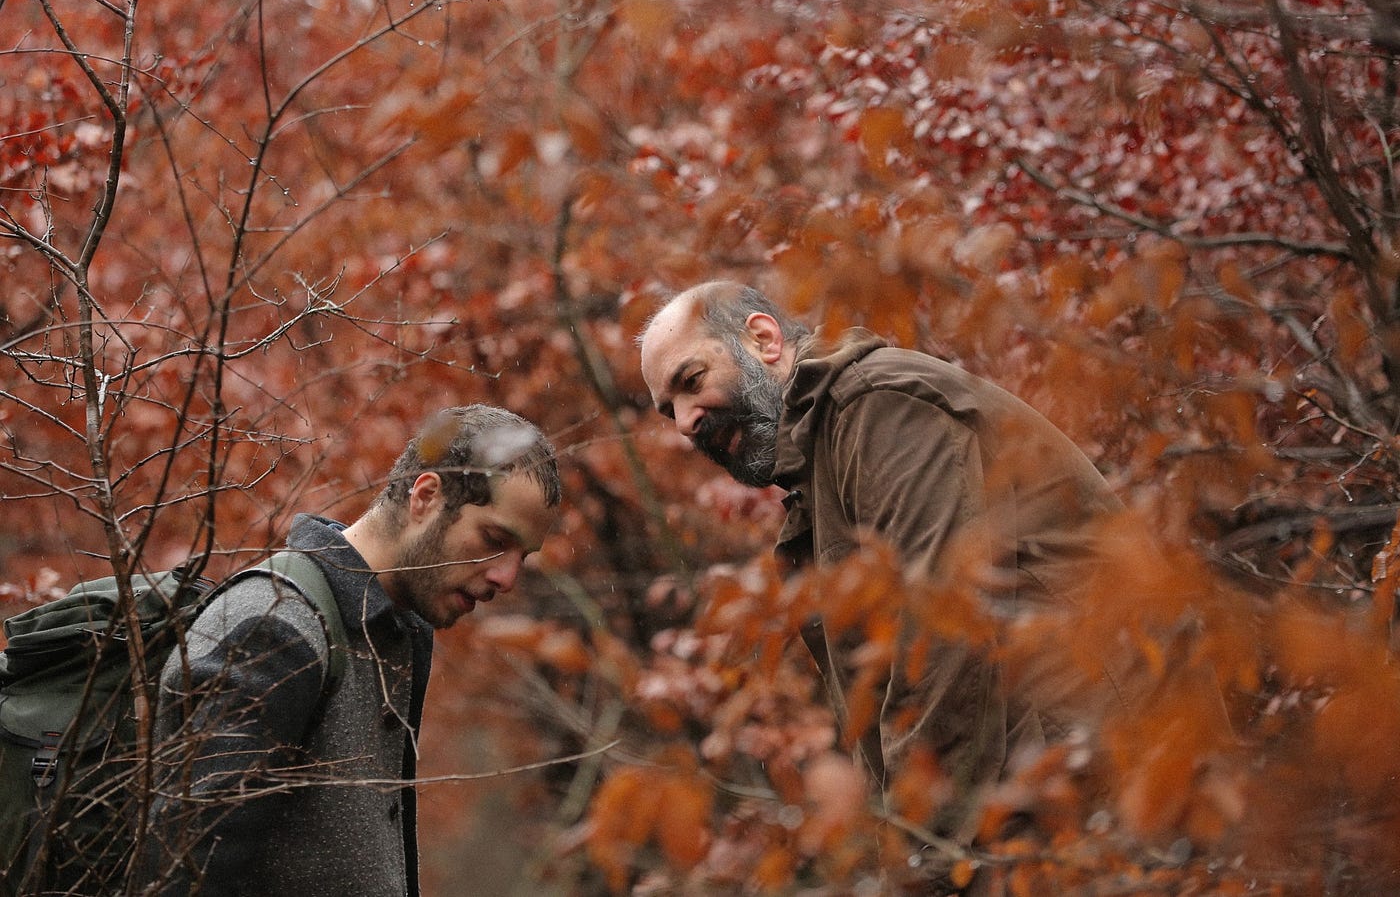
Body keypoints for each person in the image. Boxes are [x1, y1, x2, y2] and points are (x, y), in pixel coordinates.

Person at [638, 280, 1122, 841]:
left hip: (1110, 782)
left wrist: (927, 852)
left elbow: (948, 637)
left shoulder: (877, 406)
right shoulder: (821, 470)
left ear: (763, 340)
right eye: (667, 410)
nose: (685, 422)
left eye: (691, 382)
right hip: (1049, 799)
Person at [137, 404, 561, 896]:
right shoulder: (272, 628)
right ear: (425, 497)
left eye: (522, 557)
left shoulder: (393, 631)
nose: (506, 578)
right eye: (494, 540)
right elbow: (183, 878)